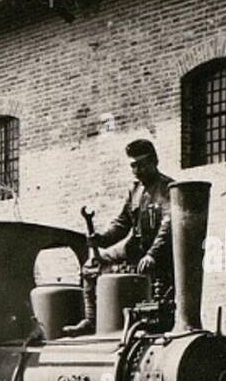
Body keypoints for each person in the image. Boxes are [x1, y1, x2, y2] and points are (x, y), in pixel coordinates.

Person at [64, 139, 175, 336]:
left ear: (154, 161)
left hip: (162, 256)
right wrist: (102, 238)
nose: (137, 170)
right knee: (91, 266)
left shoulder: (167, 188)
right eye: (133, 165)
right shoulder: (134, 190)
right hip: (135, 248)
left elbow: (168, 225)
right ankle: (91, 321)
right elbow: (122, 223)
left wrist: (152, 254)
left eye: (141, 164)